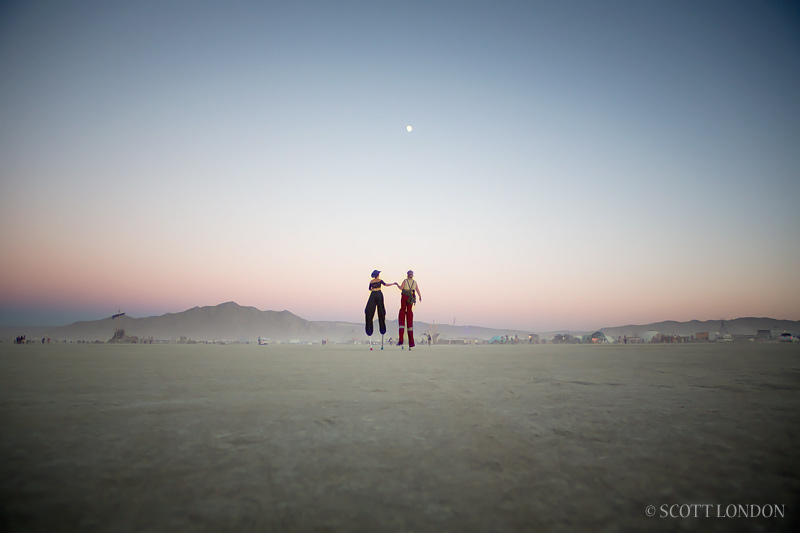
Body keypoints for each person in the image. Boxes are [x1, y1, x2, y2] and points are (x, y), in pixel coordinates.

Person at [365, 270, 398, 346]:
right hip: (378, 294)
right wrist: (393, 284)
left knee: (374, 311)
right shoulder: (380, 281)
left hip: (373, 294)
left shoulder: (371, 281)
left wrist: (374, 289)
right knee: (379, 310)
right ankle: (379, 329)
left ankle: (371, 330)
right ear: (378, 275)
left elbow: (369, 289)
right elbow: (386, 284)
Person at [397, 270, 422, 349]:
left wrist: (397, 284)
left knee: (402, 312)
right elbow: (417, 290)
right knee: (409, 313)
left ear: (407, 275)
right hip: (411, 297)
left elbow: (401, 288)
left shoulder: (405, 281)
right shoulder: (414, 282)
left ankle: (401, 340)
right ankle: (411, 343)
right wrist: (420, 296)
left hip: (405, 296)